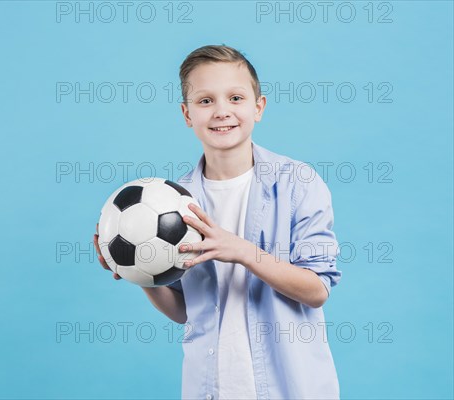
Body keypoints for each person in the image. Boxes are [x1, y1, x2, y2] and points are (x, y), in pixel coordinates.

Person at [94, 44, 342, 400]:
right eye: (205, 101)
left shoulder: (297, 183)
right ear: (186, 114)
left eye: (236, 98)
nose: (221, 111)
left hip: (290, 388)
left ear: (259, 107)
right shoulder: (174, 201)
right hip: (211, 387)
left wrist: (242, 251)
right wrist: (141, 272)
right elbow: (183, 310)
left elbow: (317, 290)